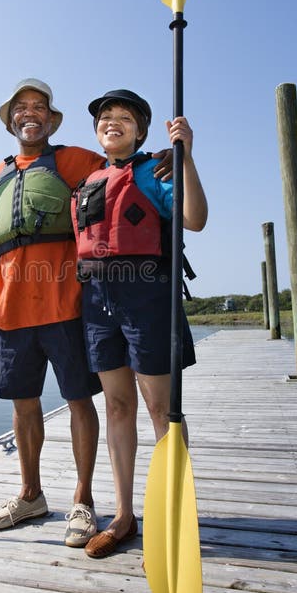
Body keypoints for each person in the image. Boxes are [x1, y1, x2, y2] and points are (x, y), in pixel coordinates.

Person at [0, 79, 172, 548]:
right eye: (21, 108)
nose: (30, 114)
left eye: (39, 107)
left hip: (67, 303)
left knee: (80, 400)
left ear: (52, 118)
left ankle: (84, 499)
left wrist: (165, 157)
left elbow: (120, 161)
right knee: (23, 405)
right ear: (10, 121)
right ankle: (31, 495)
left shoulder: (75, 159)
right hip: (8, 308)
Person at [70, 89, 207, 559]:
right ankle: (124, 515)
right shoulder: (89, 180)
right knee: (117, 406)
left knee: (160, 407)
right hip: (97, 301)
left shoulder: (157, 169)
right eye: (106, 117)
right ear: (97, 131)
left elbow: (196, 218)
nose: (113, 122)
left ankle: (174, 509)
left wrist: (186, 156)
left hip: (146, 296)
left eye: (124, 117)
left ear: (141, 130)